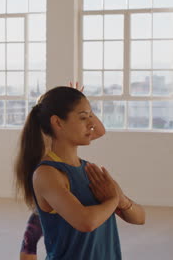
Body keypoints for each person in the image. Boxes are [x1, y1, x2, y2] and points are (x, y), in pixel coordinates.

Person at [15, 86, 145, 259]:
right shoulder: (47, 174)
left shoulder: (89, 169)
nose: (91, 123)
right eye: (83, 118)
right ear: (58, 123)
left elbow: (140, 218)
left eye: (91, 116)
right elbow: (86, 222)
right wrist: (113, 199)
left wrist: (121, 200)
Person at [19, 82, 106, 260]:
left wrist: (84, 111)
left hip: (61, 189)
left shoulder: (62, 133)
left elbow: (99, 131)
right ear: (56, 120)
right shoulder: (46, 135)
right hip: (50, 186)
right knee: (31, 238)